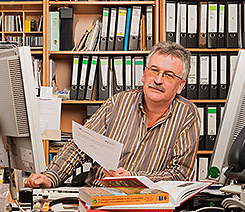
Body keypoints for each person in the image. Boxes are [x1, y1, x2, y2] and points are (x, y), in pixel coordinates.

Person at [25, 41, 200, 188]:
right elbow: (80, 145)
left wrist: (133, 178)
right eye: (154, 70)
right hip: (97, 196)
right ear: (144, 75)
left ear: (180, 86)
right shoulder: (119, 103)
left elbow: (181, 175)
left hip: (146, 203)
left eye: (168, 75)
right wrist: (51, 176)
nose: (158, 80)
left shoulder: (187, 115)